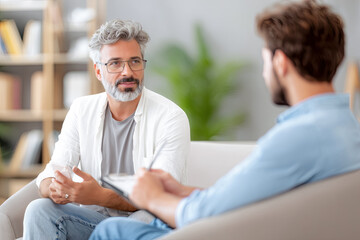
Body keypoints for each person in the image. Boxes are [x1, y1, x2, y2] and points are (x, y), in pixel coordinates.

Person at [89, 1, 360, 239]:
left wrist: (152, 196)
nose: (265, 74)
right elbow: (248, 196)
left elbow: (200, 215)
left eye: (265, 60)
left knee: (111, 230)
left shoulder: (298, 137)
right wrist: (180, 191)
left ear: (280, 63)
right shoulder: (344, 126)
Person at [22, 19, 190, 240]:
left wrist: (101, 196)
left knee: (139, 221)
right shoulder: (81, 109)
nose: (127, 72)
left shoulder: (170, 117)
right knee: (38, 210)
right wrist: (54, 188)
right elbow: (54, 171)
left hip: (146, 220)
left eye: (134, 61)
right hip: (92, 220)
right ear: (98, 71)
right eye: (115, 63)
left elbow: (159, 197)